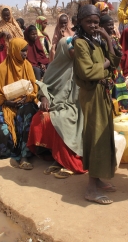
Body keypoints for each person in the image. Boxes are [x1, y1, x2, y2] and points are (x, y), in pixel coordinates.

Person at [73, 4, 121, 205]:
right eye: (89, 22)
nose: (93, 25)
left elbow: (115, 61)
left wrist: (108, 39)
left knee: (104, 133)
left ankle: (98, 178)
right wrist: (107, 64)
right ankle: (91, 189)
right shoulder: (80, 44)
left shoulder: (97, 40)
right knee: (95, 136)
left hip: (103, 91)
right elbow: (88, 71)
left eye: (96, 22)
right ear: (81, 23)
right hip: (91, 93)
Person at [27, 37, 86, 178]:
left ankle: (65, 161)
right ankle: (54, 155)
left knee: (61, 121)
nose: (74, 52)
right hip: (56, 104)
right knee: (39, 118)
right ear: (63, 50)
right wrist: (44, 97)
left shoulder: (82, 65)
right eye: (71, 49)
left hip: (78, 107)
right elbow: (44, 85)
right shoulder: (54, 67)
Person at [0, 38, 39, 170]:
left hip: (24, 103)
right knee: (3, 133)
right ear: (14, 51)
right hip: (7, 105)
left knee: (28, 116)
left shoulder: (27, 66)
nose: (25, 54)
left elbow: (34, 89)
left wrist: (27, 98)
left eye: (26, 51)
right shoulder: (2, 69)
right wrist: (7, 101)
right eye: (22, 51)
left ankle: (24, 156)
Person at [99, 15, 128, 112]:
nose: (111, 27)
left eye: (112, 25)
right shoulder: (100, 41)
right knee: (112, 91)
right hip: (108, 70)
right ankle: (114, 111)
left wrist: (119, 52)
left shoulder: (114, 39)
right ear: (101, 26)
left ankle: (123, 109)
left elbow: (119, 53)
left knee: (120, 90)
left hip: (118, 69)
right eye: (109, 25)